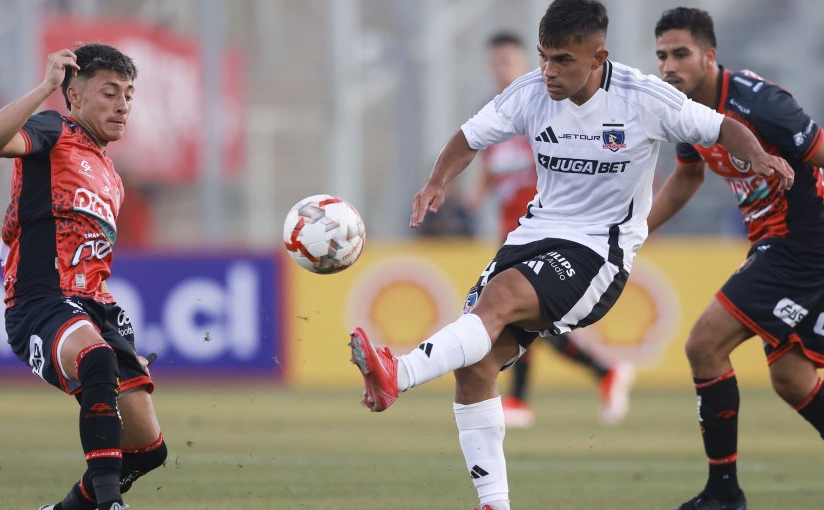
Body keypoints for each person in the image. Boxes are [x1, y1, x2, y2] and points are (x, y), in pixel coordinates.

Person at [346, 1, 794, 508]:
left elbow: (720, 127)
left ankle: (397, 375)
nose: (548, 71)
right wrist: (435, 182)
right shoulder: (531, 92)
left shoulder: (643, 98)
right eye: (542, 57)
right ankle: (495, 504)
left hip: (599, 252)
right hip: (532, 234)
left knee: (499, 300)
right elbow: (468, 139)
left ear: (597, 57)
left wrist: (757, 155)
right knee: (475, 366)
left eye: (561, 60)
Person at [0, 44, 166, 510]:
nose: (122, 104)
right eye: (110, 92)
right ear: (75, 98)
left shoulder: (112, 175)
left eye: (129, 94)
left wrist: (124, 341)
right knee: (95, 359)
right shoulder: (53, 130)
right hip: (39, 301)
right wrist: (44, 89)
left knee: (148, 449)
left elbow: (91, 261)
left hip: (95, 308)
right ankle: (108, 504)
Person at [652, 8, 824, 510]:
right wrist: (636, 232)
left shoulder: (760, 103)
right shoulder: (685, 110)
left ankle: (724, 496)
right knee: (792, 381)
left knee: (704, 344)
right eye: (662, 56)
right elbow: (687, 177)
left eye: (681, 54)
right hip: (777, 244)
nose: (669, 67)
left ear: (710, 56)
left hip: (802, 242)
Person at [469, 31, 634, 428]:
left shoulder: (543, 106)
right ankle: (597, 374)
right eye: (495, 61)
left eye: (508, 59)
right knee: (519, 316)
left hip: (548, 229)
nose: (501, 67)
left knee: (528, 315)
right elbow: (491, 169)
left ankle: (530, 396)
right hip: (511, 230)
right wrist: (475, 196)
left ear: (525, 59)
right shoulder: (493, 113)